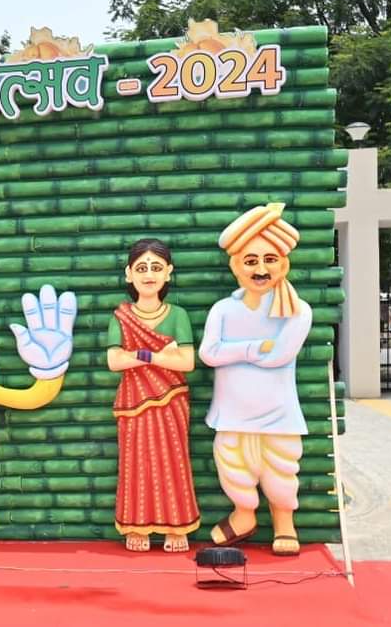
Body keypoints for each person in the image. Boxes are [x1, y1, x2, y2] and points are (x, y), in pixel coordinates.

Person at [199, 203, 312, 556]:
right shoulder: (223, 309)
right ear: (236, 266)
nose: (260, 269)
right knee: (232, 465)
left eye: (269, 259)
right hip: (231, 412)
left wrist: (234, 351)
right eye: (250, 261)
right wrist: (252, 348)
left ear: (283, 264)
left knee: (281, 467)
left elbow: (279, 355)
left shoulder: (297, 310)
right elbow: (209, 353)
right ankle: (244, 515)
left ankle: (284, 522)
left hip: (278, 412)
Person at [106, 238, 201, 552]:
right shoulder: (121, 317)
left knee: (172, 462)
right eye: (142, 268)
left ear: (168, 272)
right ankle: (136, 526)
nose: (149, 274)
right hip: (133, 402)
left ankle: (177, 527)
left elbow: (186, 362)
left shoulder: (178, 315)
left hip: (171, 399)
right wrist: (158, 355)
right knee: (136, 464)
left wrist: (137, 355)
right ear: (129, 274)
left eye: (156, 267)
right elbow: (114, 361)